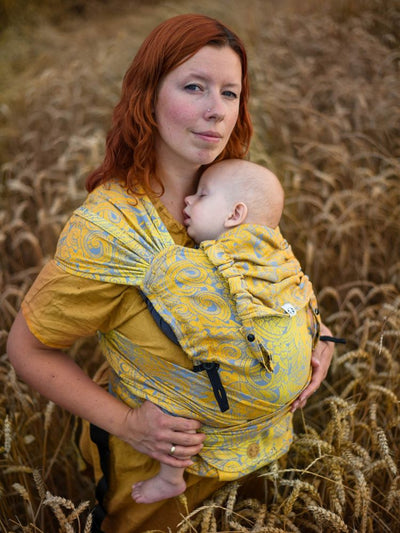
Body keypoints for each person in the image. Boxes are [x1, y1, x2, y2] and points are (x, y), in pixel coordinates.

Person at [6, 14, 334, 532]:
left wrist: (315, 333)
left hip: (254, 455)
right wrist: (129, 425)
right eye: (194, 86)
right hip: (155, 473)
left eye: (230, 93)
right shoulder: (112, 229)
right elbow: (27, 349)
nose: (215, 111)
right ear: (148, 96)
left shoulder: (232, 190)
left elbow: (270, 276)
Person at [130, 158, 321, 504]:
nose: (188, 200)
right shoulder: (279, 254)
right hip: (293, 385)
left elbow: (173, 313)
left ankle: (170, 476)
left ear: (234, 215)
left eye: (202, 195)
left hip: (239, 398)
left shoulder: (198, 268)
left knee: (175, 388)